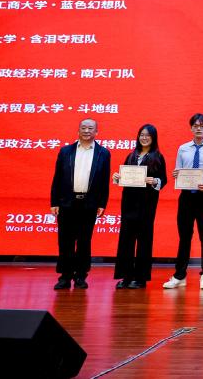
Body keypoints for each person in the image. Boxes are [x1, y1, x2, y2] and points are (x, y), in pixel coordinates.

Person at [163, 113, 203, 290]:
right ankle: (179, 275)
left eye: (202, 126)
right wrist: (176, 174)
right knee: (184, 236)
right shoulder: (183, 148)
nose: (199, 129)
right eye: (195, 126)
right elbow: (178, 170)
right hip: (186, 197)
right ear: (191, 128)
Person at [50, 118, 111, 290]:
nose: (86, 131)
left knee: (84, 242)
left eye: (90, 128)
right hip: (67, 203)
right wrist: (54, 201)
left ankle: (81, 276)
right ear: (78, 131)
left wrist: (102, 203)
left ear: (96, 132)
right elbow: (57, 178)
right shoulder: (65, 151)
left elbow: (104, 181)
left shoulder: (103, 153)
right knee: (65, 241)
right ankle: (65, 276)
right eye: (83, 128)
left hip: (89, 204)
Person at [112, 123, 167, 289]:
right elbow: (124, 178)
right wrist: (117, 178)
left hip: (147, 204)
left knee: (144, 240)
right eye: (142, 135)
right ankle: (126, 276)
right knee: (126, 239)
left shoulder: (158, 157)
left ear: (153, 138)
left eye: (147, 135)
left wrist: (155, 181)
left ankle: (141, 278)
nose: (144, 138)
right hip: (129, 202)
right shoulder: (131, 155)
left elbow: (163, 180)